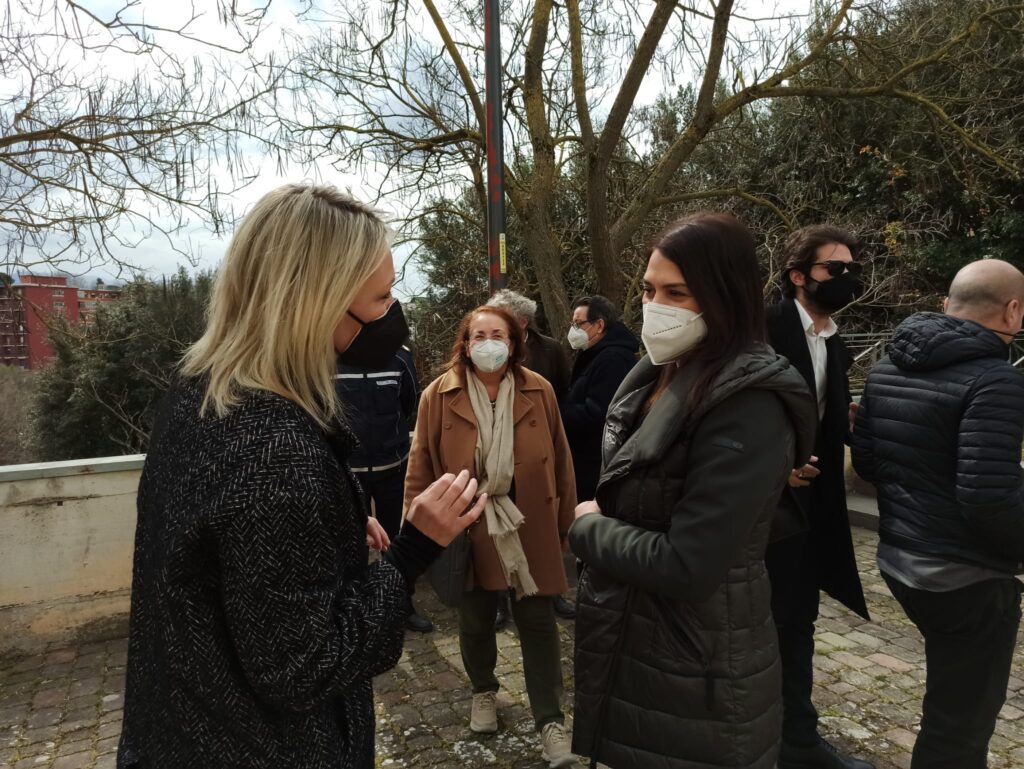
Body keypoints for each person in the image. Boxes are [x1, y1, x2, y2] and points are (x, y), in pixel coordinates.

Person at [117, 183, 486, 769]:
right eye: (381, 298)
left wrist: (327, 527)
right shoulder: (277, 454)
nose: (393, 314)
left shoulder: (199, 393)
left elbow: (225, 550)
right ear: (317, 301)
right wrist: (413, 550)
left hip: (177, 732)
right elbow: (304, 667)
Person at [570, 213, 817, 769]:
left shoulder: (748, 402)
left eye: (676, 293)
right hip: (638, 645)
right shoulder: (657, 373)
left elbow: (690, 564)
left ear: (725, 295)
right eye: (649, 290)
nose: (655, 306)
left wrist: (588, 528)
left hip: (697, 666)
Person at [851, 259, 1024, 769]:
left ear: (947, 304)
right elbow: (988, 498)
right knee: (960, 728)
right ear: (1013, 311)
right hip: (965, 578)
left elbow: (867, 464)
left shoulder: (885, 368)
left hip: (899, 560)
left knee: (950, 704)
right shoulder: (997, 379)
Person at [404, 305, 579, 768]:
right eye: (478, 335)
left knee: (538, 623)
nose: (488, 343)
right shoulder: (438, 394)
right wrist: (415, 536)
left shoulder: (538, 389)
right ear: (465, 344)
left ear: (513, 341)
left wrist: (567, 524)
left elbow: (562, 459)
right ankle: (483, 690)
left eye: (497, 334)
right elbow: (420, 466)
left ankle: (550, 719)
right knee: (476, 618)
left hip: (529, 524)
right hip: (469, 522)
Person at [765, 225, 873, 769]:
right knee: (759, 622)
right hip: (759, 508)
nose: (846, 277)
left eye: (852, 268)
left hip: (812, 509)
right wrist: (772, 467)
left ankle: (798, 738)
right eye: (835, 268)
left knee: (798, 619)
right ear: (798, 276)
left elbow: (826, 418)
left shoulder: (836, 341)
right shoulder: (763, 328)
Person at [486, 288, 576, 623]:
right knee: (497, 526)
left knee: (541, 527)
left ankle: (551, 593)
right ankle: (499, 600)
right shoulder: (487, 349)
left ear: (521, 321)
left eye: (502, 316)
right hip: (496, 452)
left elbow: (563, 393)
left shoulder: (550, 349)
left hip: (537, 449)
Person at [335, 340, 434, 632]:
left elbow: (409, 403)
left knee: (396, 542)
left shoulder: (398, 357)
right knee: (351, 547)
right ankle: (355, 614)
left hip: (392, 468)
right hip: (348, 473)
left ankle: (402, 606)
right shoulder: (326, 357)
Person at [561, 295, 638, 503]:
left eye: (579, 324)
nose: (573, 330)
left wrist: (556, 411)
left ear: (599, 325)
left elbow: (599, 412)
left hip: (595, 463)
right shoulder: (595, 354)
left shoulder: (613, 359)